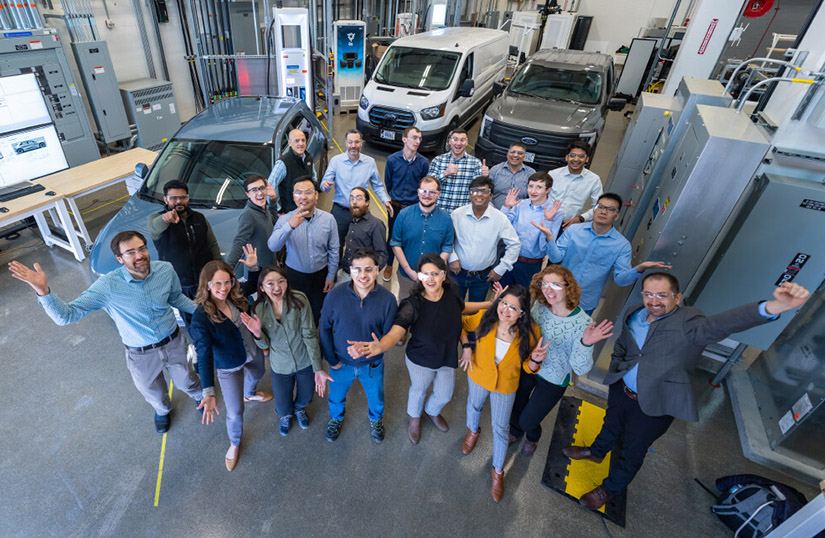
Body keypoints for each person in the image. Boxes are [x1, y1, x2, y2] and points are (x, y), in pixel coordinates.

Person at [563, 274, 810, 510]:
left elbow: (723, 323)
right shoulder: (635, 313)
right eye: (649, 294)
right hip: (622, 390)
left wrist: (774, 307)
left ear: (677, 297)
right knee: (610, 424)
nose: (654, 301)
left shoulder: (690, 323)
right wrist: (617, 368)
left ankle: (609, 489)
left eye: (662, 295)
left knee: (633, 450)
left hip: (655, 405)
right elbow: (624, 345)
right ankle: (596, 452)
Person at [9, 231, 202, 434]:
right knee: (152, 390)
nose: (139, 255)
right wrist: (43, 291)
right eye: (130, 252)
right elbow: (66, 315)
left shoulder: (165, 270)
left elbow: (175, 298)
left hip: (173, 342)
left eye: (142, 249)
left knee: (187, 380)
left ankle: (200, 397)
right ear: (119, 258)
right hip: (141, 354)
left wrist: (202, 312)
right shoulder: (108, 287)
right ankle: (162, 411)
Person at [345, 254, 503, 445]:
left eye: (435, 274)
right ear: (419, 277)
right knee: (418, 391)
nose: (430, 279)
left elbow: (461, 308)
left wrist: (490, 305)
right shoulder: (412, 304)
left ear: (443, 275)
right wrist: (381, 346)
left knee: (445, 394)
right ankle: (415, 418)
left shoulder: (451, 292)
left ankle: (431, 411)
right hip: (420, 359)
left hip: (446, 355)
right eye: (425, 274)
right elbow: (396, 332)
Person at [508, 265, 613, 456]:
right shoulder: (539, 305)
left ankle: (533, 435)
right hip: (529, 366)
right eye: (545, 284)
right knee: (515, 405)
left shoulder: (583, 323)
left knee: (528, 421)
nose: (548, 290)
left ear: (568, 287)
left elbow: (580, 369)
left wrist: (586, 344)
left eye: (556, 285)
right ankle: (514, 431)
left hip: (554, 378)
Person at [190, 254, 273, 471]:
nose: (223, 288)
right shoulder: (200, 319)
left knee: (258, 373)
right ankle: (234, 443)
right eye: (217, 283)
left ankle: (249, 393)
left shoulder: (235, 297)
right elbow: (204, 355)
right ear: (207, 284)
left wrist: (253, 267)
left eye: (227, 282)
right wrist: (209, 392)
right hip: (228, 366)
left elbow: (253, 284)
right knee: (235, 412)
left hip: (251, 351)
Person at [459, 285, 540, 502]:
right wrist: (466, 347)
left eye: (513, 308)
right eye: (503, 303)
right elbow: (460, 324)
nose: (505, 310)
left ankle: (498, 471)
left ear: (523, 313)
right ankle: (472, 431)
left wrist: (535, 361)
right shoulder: (485, 317)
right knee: (474, 405)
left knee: (501, 429)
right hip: (478, 374)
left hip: (505, 385)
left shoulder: (531, 332)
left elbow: (527, 367)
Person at [536, 192, 671, 315]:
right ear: (594, 210)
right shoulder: (574, 230)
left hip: (584, 301)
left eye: (610, 209)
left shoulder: (621, 245)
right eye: (600, 207)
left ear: (617, 216)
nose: (603, 212)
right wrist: (550, 238)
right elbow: (556, 257)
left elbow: (621, 279)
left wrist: (639, 268)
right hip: (555, 293)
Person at [241, 265, 334, 437]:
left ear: (287, 282)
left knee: (306, 397)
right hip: (280, 365)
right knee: (282, 406)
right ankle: (286, 415)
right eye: (270, 283)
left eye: (281, 281)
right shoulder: (259, 309)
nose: (277, 287)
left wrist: (318, 368)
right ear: (262, 287)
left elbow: (310, 335)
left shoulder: (300, 300)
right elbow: (265, 346)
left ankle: (299, 409)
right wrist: (257, 333)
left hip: (304, 360)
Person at [319, 248, 397, 444]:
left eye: (368, 269)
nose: (363, 275)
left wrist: (375, 347)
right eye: (357, 269)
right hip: (340, 363)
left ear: (377, 270)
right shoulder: (334, 296)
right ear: (350, 271)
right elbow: (324, 328)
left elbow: (390, 335)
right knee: (336, 396)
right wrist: (332, 360)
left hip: (372, 364)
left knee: (376, 397)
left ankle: (376, 420)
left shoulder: (388, 300)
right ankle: (336, 418)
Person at [268, 177, 339, 325]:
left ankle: (313, 334)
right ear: (294, 197)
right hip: (295, 276)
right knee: (295, 312)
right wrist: (290, 226)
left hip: (320, 276)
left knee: (316, 312)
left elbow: (334, 250)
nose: (303, 197)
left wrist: (331, 276)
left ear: (316, 195)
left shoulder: (329, 219)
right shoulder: (285, 220)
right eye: (298, 193)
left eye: (308, 192)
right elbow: (273, 246)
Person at [449, 176, 520, 301]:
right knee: (453, 306)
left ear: (491, 196)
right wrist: (452, 257)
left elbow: (514, 245)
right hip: (457, 273)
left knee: (477, 310)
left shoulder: (500, 218)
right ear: (470, 195)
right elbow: (447, 239)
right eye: (475, 191)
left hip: (482, 277)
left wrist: (501, 268)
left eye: (484, 191)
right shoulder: (457, 214)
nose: (479, 194)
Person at [147, 179, 222, 299]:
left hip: (205, 280)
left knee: (210, 308)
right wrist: (165, 218)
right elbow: (153, 227)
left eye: (183, 197)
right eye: (173, 198)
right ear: (165, 199)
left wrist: (220, 268)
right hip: (179, 285)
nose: (179, 201)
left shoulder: (199, 218)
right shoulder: (157, 219)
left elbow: (212, 244)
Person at [321, 129, 393, 249]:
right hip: (340, 212)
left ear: (361, 143)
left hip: (361, 212)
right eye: (350, 142)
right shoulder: (336, 161)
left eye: (356, 142)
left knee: (361, 245)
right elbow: (324, 185)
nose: (353, 145)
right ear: (346, 143)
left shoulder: (370, 162)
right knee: (336, 245)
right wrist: (325, 186)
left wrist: (385, 200)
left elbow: (377, 185)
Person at [389, 176, 454, 300]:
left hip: (433, 280)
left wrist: (432, 271)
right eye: (424, 191)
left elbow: (447, 247)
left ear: (438, 195)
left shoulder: (446, 219)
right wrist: (409, 271)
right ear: (418, 192)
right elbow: (396, 243)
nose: (427, 195)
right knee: (406, 305)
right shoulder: (403, 215)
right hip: (406, 276)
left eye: (432, 192)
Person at [499, 171, 563, 289]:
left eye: (539, 187)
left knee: (524, 297)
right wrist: (507, 207)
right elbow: (500, 228)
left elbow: (544, 247)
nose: (533, 191)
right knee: (502, 294)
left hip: (531, 264)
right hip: (509, 258)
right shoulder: (520, 204)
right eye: (530, 186)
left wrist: (548, 221)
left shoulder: (555, 211)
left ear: (548, 190)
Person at [383, 126, 430, 282]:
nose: (417, 141)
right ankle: (389, 264)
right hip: (395, 207)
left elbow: (423, 185)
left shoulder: (423, 163)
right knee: (392, 237)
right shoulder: (392, 160)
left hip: (413, 208)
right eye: (414, 137)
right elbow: (388, 183)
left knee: (411, 237)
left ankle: (407, 266)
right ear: (404, 139)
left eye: (419, 138)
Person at [428, 129, 489, 213]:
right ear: (449, 141)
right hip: (438, 212)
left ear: (467, 142)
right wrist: (445, 174)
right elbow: (429, 186)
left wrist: (484, 178)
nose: (458, 143)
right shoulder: (438, 160)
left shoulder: (475, 163)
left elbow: (478, 192)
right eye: (455, 139)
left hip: (461, 214)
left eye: (462, 140)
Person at [226, 175, 277, 272]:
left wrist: (273, 199)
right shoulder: (248, 214)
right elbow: (239, 242)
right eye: (254, 190)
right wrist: (227, 270)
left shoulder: (262, 208)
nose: (260, 193)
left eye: (262, 188)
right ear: (248, 194)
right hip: (258, 271)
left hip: (269, 266)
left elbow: (273, 221)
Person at [548, 141, 603, 231]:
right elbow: (541, 196)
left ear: (587, 159)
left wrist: (581, 218)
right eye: (572, 155)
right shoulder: (553, 174)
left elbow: (599, 206)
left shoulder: (594, 180)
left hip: (570, 226)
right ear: (567, 157)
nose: (576, 159)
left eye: (581, 156)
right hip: (547, 221)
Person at [339, 187, 388, 280]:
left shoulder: (376, 225)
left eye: (359, 198)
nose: (354, 202)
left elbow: (382, 255)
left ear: (367, 202)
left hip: (363, 277)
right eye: (351, 198)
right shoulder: (352, 222)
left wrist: (369, 274)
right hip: (346, 272)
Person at [267, 128, 316, 216]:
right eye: (297, 141)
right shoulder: (283, 163)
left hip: (308, 209)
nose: (301, 144)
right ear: (289, 143)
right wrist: (278, 210)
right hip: (291, 213)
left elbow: (313, 177)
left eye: (303, 140)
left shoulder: (308, 157)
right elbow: (270, 186)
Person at [488, 143, 535, 209]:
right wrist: (491, 209)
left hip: (520, 212)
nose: (515, 155)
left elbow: (534, 196)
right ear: (507, 154)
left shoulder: (531, 173)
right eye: (512, 152)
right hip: (496, 211)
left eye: (520, 153)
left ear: (524, 157)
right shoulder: (495, 170)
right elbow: (486, 191)